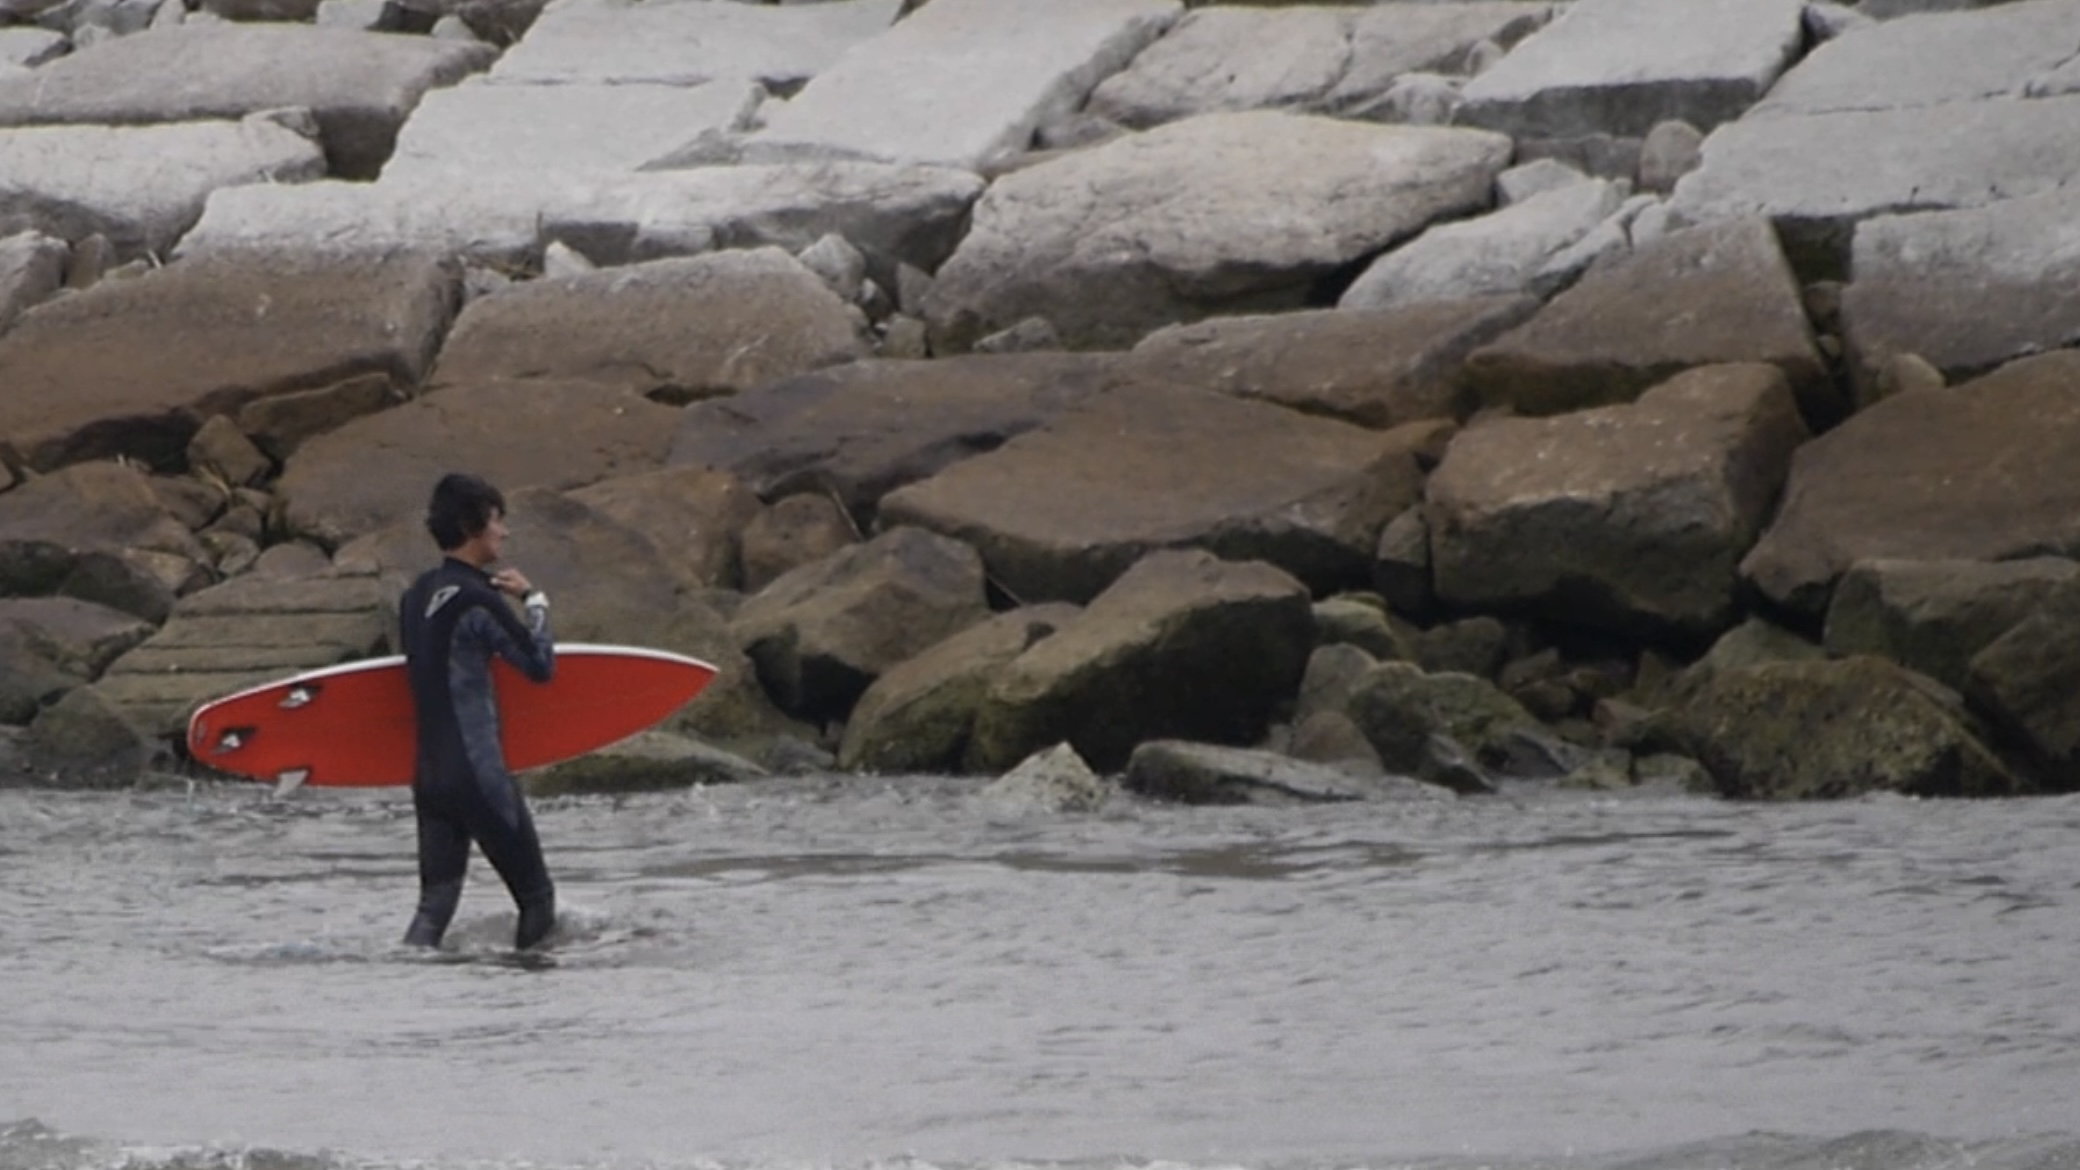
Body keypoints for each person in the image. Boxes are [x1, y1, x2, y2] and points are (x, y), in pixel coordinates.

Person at [398, 473, 558, 951]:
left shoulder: (415, 596)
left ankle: (404, 996)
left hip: (429, 778)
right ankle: (532, 1004)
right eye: (497, 521)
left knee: (433, 910)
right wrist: (535, 601)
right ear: (473, 526)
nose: (504, 533)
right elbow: (538, 665)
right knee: (536, 900)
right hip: (477, 773)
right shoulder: (476, 599)